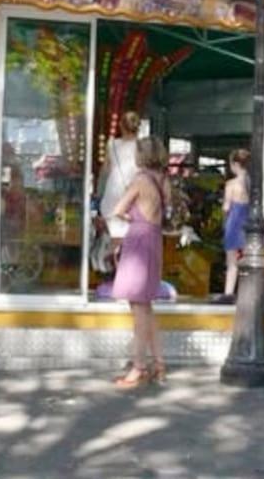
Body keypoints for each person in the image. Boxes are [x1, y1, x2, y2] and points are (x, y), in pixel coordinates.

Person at [109, 136, 169, 389]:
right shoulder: (163, 180)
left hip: (138, 240)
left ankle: (139, 366)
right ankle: (159, 363)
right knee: (147, 305)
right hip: (155, 239)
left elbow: (118, 209)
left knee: (138, 308)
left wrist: (130, 217)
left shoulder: (140, 180)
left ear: (141, 156)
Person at [98, 111, 141, 253]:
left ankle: (111, 259)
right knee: (132, 239)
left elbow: (105, 170)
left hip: (113, 193)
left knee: (115, 236)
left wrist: (98, 192)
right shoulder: (142, 147)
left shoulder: (112, 144)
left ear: (121, 126)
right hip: (133, 195)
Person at [215, 149, 250, 304]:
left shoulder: (231, 185)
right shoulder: (253, 184)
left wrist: (223, 223)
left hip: (234, 224)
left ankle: (228, 293)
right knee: (249, 261)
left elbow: (226, 208)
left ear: (235, 164)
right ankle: (248, 293)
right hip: (248, 224)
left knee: (232, 263)